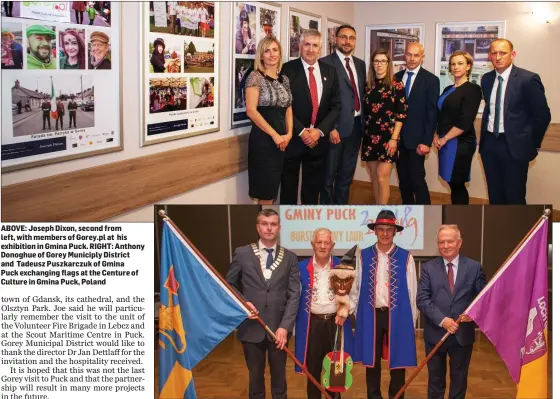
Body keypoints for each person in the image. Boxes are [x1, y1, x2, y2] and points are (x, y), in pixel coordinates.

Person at [226, 209, 300, 399]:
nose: (269, 228)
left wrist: (285, 327)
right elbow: (229, 285)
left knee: (279, 382)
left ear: (279, 228)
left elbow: (294, 294)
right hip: (251, 328)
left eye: (273, 224)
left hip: (279, 331)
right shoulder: (242, 253)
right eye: (265, 223)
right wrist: (243, 303)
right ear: (258, 227)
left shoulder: (290, 257)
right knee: (255, 381)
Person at [417, 225, 487, 399]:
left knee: (459, 381)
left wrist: (474, 314)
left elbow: (483, 298)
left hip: (462, 336)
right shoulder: (428, 268)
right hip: (435, 334)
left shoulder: (474, 267)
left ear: (459, 243)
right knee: (435, 382)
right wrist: (443, 320)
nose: (446, 245)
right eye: (442, 242)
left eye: (450, 241)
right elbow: (422, 299)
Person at [354, 210, 418, 399]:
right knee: (371, 361)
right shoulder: (363, 255)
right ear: (374, 231)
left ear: (395, 232)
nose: (384, 233)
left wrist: (411, 322)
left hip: (397, 315)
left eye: (389, 229)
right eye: (381, 229)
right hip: (371, 315)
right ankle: (374, 396)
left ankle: (396, 396)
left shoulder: (406, 257)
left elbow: (412, 292)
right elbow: (356, 288)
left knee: (398, 360)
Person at [480, 38, 551, 204]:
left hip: (515, 146)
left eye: (503, 53)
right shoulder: (486, 79)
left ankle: (517, 229)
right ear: (489, 56)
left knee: (514, 196)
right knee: (495, 195)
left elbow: (542, 115)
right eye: (494, 53)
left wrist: (532, 143)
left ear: (513, 54)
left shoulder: (528, 79)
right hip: (489, 144)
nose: (498, 57)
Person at [294, 228, 358, 399]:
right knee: (313, 372)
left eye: (326, 242)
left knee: (336, 373)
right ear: (312, 244)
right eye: (319, 242)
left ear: (332, 245)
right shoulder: (300, 268)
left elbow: (354, 295)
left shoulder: (342, 266)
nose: (322, 246)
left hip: (335, 324)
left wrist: (344, 311)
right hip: (311, 325)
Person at [280, 29, 340, 205]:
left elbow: (336, 106)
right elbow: (284, 105)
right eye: (307, 44)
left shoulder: (330, 71)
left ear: (320, 49)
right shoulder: (287, 70)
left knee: (312, 190)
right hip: (294, 139)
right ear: (299, 46)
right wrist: (302, 131)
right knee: (288, 189)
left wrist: (319, 131)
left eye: (315, 45)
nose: (311, 49)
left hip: (318, 141)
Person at [319, 24, 366, 205]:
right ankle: (327, 213)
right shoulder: (324, 63)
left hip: (356, 128)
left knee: (346, 177)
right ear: (335, 39)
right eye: (343, 37)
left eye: (351, 38)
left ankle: (341, 211)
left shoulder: (360, 64)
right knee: (328, 178)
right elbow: (322, 102)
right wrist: (330, 127)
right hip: (335, 129)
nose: (347, 41)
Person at [245, 36, 293, 204]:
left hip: (283, 142)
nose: (272, 54)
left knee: (273, 193)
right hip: (264, 142)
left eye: (275, 50)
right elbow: (251, 111)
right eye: (267, 50)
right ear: (261, 55)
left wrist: (289, 134)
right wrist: (274, 135)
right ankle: (262, 227)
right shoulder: (255, 77)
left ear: (280, 53)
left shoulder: (285, 79)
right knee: (265, 194)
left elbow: (288, 109)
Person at [433, 51, 482, 204]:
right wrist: (436, 135)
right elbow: (440, 115)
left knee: (457, 183)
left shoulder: (473, 89)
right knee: (451, 181)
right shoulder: (448, 89)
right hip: (444, 141)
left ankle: (461, 217)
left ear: (468, 66)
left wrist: (444, 138)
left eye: (460, 63)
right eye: (453, 64)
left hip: (460, 142)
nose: (456, 67)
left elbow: (465, 121)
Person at [394, 42, 439, 205]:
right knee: (403, 180)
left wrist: (426, 142)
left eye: (416, 55)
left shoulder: (431, 80)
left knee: (417, 180)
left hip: (418, 140)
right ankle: (408, 212)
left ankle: (425, 213)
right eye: (409, 54)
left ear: (422, 57)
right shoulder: (396, 78)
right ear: (404, 55)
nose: (412, 59)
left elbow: (432, 113)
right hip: (397, 140)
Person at [362, 49, 407, 205]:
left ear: (389, 64)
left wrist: (394, 139)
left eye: (383, 61)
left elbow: (401, 115)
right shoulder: (367, 85)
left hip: (389, 138)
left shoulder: (396, 85)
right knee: (374, 176)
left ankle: (382, 210)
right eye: (376, 61)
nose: (379, 64)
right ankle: (377, 207)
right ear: (372, 64)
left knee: (382, 177)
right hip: (369, 137)